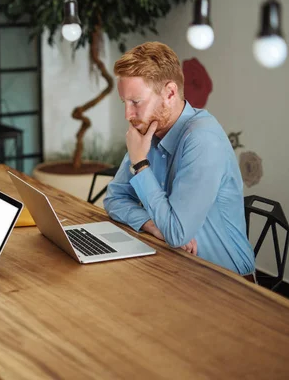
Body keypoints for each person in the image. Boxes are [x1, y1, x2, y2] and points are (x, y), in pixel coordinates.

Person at [104, 42, 255, 279]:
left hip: (228, 282)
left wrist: (140, 163)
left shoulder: (203, 139)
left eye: (136, 102)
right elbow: (114, 199)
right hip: (176, 266)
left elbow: (176, 234)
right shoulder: (149, 132)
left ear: (170, 93)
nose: (128, 115)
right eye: (124, 102)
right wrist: (151, 225)